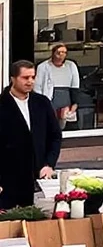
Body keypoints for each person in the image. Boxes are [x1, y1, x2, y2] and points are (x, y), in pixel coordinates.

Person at [0, 58, 60, 210]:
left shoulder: (42, 103)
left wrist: (49, 164)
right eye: (25, 78)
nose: (30, 81)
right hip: (8, 180)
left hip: (39, 177)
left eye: (33, 77)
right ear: (13, 79)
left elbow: (55, 136)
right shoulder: (2, 104)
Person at [33, 42, 79, 142]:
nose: (61, 55)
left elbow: (75, 86)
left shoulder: (71, 66)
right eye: (59, 52)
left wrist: (75, 103)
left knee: (63, 118)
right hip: (49, 95)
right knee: (50, 119)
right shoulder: (43, 66)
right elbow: (37, 86)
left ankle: (60, 137)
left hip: (65, 95)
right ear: (53, 53)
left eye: (64, 53)